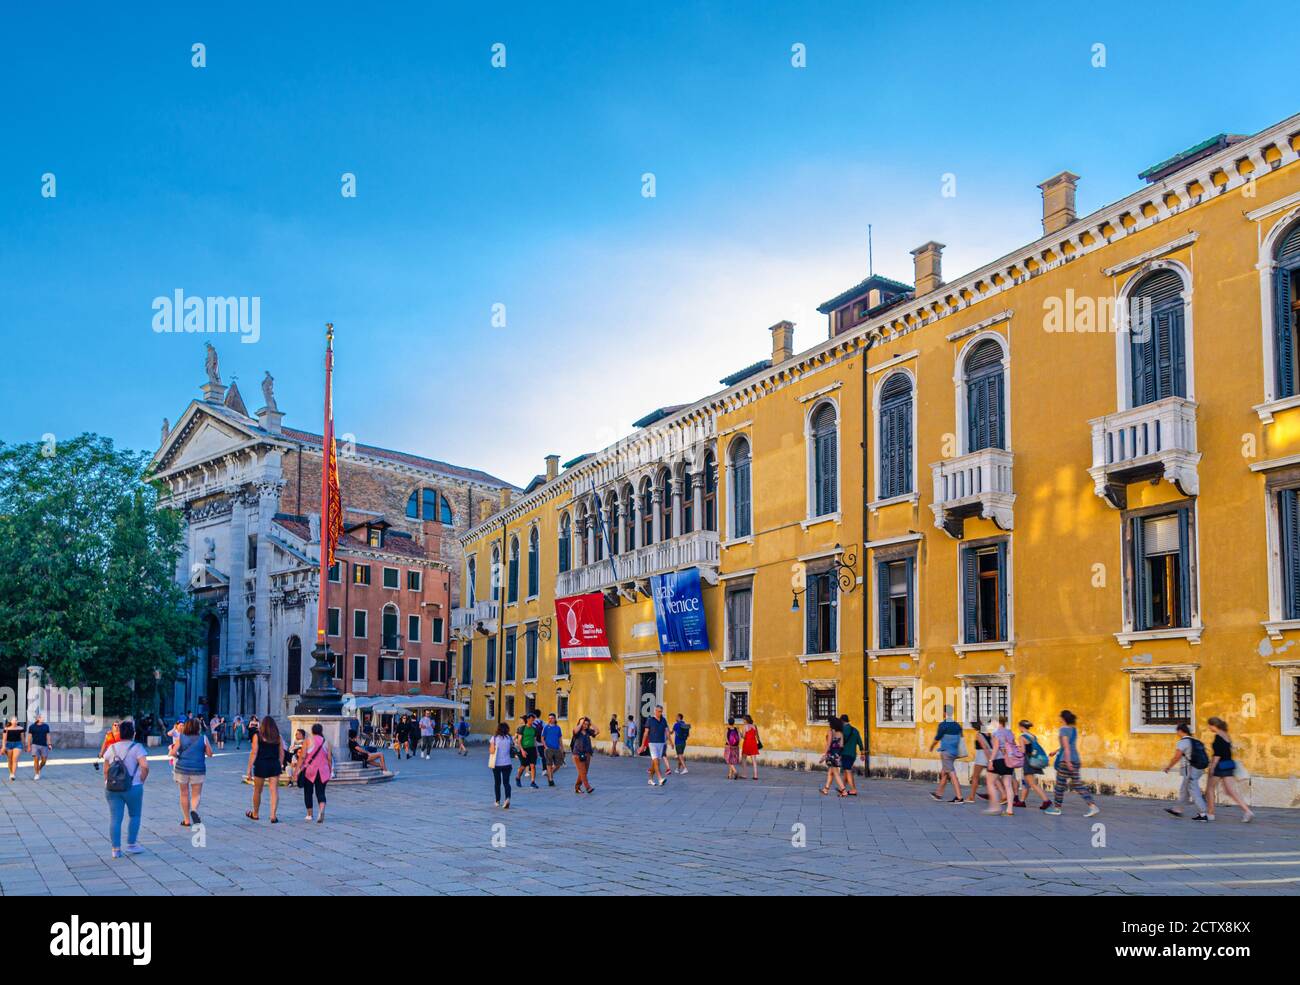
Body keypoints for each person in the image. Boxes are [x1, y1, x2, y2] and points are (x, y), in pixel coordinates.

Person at [103, 719, 149, 859]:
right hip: (133, 787)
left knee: (115, 818)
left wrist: (107, 781)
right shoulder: (137, 748)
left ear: (119, 734)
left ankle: (115, 849)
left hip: (112, 788)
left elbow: (106, 769)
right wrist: (142, 779)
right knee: (134, 815)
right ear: (133, 734)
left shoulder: (111, 748)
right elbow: (145, 766)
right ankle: (132, 844)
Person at [1045, 710, 1099, 817]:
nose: (1059, 719)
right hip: (1076, 759)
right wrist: (1056, 751)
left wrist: (1068, 761)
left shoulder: (1063, 730)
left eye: (1060, 717)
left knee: (1060, 786)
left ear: (1063, 718)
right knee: (1078, 785)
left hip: (1066, 761)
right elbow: (1067, 744)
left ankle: (1057, 808)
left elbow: (1066, 747)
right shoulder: (1074, 730)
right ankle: (1092, 806)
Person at [1205, 716, 1254, 822]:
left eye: (1209, 725)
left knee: (1210, 788)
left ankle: (1210, 813)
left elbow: (1217, 755)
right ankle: (1247, 811)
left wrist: (1212, 768)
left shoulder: (1218, 737)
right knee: (1230, 791)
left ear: (1214, 725)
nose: (1209, 728)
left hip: (1219, 766)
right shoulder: (1226, 735)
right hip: (1228, 765)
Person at [169, 716, 212, 826]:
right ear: (198, 728)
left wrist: (180, 756)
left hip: (182, 768)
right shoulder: (203, 738)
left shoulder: (181, 738)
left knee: (184, 794)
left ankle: (187, 820)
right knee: (196, 794)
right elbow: (210, 754)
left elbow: (173, 753)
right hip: (198, 769)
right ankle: (194, 809)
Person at [1162, 722, 1209, 822]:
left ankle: (1203, 813)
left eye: (1177, 732)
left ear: (1180, 731)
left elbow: (1177, 757)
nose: (1177, 734)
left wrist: (1168, 767)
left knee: (1193, 790)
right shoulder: (1195, 741)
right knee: (1184, 790)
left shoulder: (1183, 742)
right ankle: (1178, 809)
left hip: (1190, 770)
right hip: (1198, 769)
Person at [246, 715, 285, 822]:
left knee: (257, 790)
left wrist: (249, 769)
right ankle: (273, 815)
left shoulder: (257, 736)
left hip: (261, 764)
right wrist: (280, 765)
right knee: (274, 791)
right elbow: (282, 753)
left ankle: (255, 813)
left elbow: (254, 752)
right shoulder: (278, 737)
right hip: (274, 764)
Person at [986, 716, 1021, 816]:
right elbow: (1014, 745)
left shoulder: (996, 733)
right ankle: (1010, 810)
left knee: (990, 782)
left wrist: (990, 761)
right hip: (1009, 760)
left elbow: (996, 748)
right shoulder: (1009, 732)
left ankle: (995, 807)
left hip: (998, 759)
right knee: (1008, 785)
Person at [928, 706, 964, 803]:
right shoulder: (957, 725)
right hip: (954, 752)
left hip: (946, 753)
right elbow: (961, 739)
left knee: (952, 774)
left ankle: (959, 797)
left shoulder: (943, 725)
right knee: (944, 772)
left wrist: (931, 746)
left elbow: (937, 738)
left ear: (944, 713)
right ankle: (938, 794)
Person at [299, 723, 333, 823]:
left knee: (308, 792)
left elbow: (302, 756)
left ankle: (309, 815)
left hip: (310, 770)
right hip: (323, 770)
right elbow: (329, 759)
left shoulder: (308, 741)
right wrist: (330, 770)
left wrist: (298, 769)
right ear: (321, 731)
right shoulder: (327, 742)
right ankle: (321, 809)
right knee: (321, 792)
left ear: (312, 731)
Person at [1015, 720, 1053, 809]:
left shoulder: (1021, 737)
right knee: (1025, 782)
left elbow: (1023, 751)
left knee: (1032, 783)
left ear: (1021, 727)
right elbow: (1030, 748)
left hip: (1028, 762)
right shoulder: (1032, 736)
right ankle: (1022, 801)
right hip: (1033, 760)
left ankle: (1046, 801)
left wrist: (1017, 748)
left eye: (1019, 727)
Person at [640, 705, 671, 786]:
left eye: (661, 711)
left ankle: (650, 779)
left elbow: (667, 731)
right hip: (652, 743)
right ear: (655, 711)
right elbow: (645, 733)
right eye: (659, 711)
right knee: (656, 761)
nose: (660, 713)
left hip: (661, 743)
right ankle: (660, 779)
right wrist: (642, 745)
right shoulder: (650, 720)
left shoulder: (663, 720)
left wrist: (671, 741)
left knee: (655, 763)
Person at [964, 720, 995, 805]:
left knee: (975, 777)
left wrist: (989, 760)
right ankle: (993, 795)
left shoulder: (978, 734)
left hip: (981, 758)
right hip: (990, 755)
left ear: (974, 727)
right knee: (992, 778)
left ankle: (971, 797)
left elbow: (984, 747)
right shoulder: (988, 733)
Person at [489, 722, 514, 808]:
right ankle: (507, 798)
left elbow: (492, 751)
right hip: (507, 763)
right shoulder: (509, 738)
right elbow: (512, 748)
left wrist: (492, 747)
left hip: (497, 764)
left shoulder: (494, 738)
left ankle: (497, 800)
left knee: (497, 783)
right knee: (506, 783)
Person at [570, 717, 597, 794]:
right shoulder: (577, 732)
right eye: (584, 724)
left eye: (587, 724)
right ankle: (588, 787)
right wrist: (581, 722)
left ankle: (577, 787)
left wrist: (591, 723)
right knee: (583, 772)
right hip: (577, 754)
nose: (585, 725)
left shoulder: (588, 732)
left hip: (587, 754)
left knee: (583, 772)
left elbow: (597, 731)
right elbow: (575, 731)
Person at [820, 716, 846, 796]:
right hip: (838, 754)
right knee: (830, 772)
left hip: (832, 754)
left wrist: (824, 755)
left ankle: (843, 791)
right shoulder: (841, 733)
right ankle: (826, 789)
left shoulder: (830, 731)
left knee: (835, 773)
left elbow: (828, 744)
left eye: (829, 722)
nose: (828, 724)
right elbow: (842, 745)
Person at [838, 713, 863, 795]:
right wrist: (862, 753)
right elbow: (860, 742)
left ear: (842, 721)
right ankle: (842, 788)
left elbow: (838, 742)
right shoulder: (855, 730)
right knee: (846, 770)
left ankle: (853, 789)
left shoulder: (841, 730)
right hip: (853, 755)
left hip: (845, 754)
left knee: (848, 771)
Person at [515, 714, 539, 789]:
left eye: (533, 719)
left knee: (533, 766)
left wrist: (537, 751)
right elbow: (519, 741)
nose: (533, 721)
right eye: (531, 719)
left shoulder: (534, 729)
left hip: (532, 749)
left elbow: (535, 741)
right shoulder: (522, 729)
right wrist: (522, 751)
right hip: (523, 749)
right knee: (523, 766)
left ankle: (532, 782)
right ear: (528, 719)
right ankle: (518, 777)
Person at [541, 713, 564, 786]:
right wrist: (545, 746)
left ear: (555, 719)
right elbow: (542, 738)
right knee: (549, 764)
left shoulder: (558, 728)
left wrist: (562, 748)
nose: (550, 719)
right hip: (548, 748)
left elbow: (560, 738)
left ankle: (549, 774)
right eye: (549, 718)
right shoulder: (546, 727)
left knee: (558, 765)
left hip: (557, 748)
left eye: (552, 718)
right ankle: (550, 780)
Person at [26, 713, 50, 781]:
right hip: (35, 745)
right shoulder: (32, 727)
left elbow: (48, 735)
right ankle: (36, 774)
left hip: (44, 745)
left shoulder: (46, 726)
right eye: (42, 717)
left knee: (44, 761)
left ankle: (39, 768)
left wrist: (49, 744)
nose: (43, 719)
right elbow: (29, 737)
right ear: (38, 719)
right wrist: (28, 746)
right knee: (36, 760)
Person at [740, 714, 761, 780]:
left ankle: (744, 774)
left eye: (743, 719)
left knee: (744, 759)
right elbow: (757, 736)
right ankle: (755, 776)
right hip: (753, 743)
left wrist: (740, 733)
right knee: (754, 760)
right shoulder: (754, 726)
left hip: (747, 743)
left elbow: (744, 736)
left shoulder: (745, 726)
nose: (743, 721)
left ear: (746, 720)